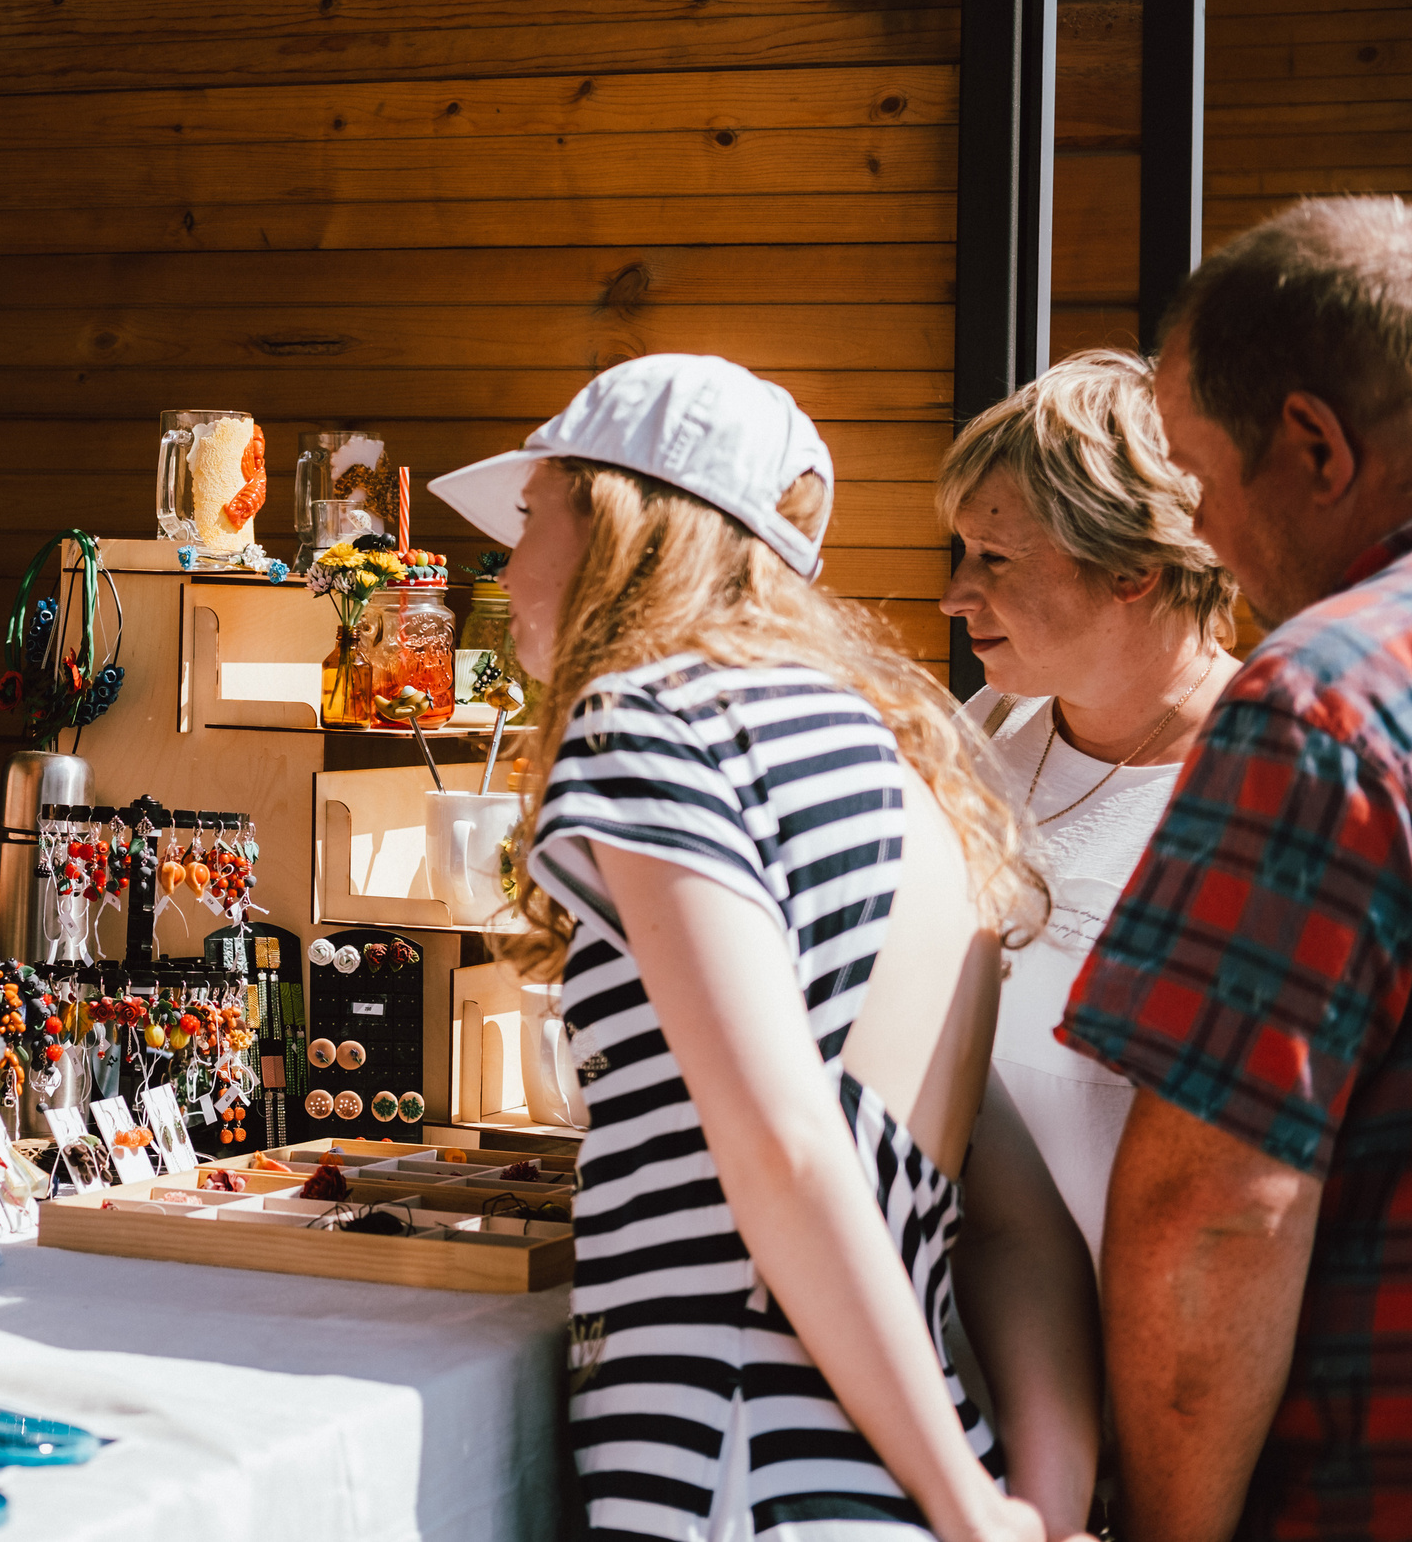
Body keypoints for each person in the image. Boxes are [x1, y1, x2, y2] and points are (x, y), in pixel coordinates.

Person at [433, 355, 1099, 1542]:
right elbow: (1014, 1223)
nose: (503, 565)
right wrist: (1027, 1509)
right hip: (891, 1484)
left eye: (529, 515)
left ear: (611, 523)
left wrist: (967, 1508)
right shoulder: (900, 764)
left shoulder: (644, 717)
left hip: (729, 1477)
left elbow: (783, 1139)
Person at [1060, 194, 1412, 1539]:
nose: (1200, 534)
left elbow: (1215, 1207)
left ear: (1315, 445)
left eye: (1199, 481)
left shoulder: (1327, 697)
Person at [934, 350, 1240, 1260]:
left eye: (994, 557)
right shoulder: (985, 723)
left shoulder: (1257, 777)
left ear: (1131, 565)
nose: (955, 595)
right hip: (955, 1335)